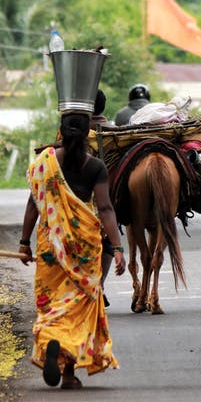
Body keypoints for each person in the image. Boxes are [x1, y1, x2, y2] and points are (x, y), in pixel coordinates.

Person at [19, 112, 126, 389]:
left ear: (61, 132)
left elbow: (33, 204)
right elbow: (105, 208)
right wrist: (117, 248)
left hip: (49, 247)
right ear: (89, 133)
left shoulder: (45, 163)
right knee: (79, 305)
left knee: (51, 303)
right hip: (85, 247)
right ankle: (68, 373)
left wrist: (23, 242)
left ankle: (53, 339)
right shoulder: (96, 167)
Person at [90, 90, 114, 306]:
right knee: (107, 241)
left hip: (75, 198)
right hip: (105, 197)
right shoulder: (115, 132)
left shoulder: (70, 133)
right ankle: (100, 284)